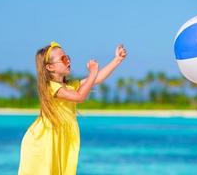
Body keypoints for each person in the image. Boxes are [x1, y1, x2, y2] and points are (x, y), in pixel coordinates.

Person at [18, 41, 127, 175]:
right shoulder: (51, 87)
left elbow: (96, 79)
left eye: (68, 57)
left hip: (61, 137)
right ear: (50, 67)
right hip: (45, 140)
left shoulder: (69, 85)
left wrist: (117, 60)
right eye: (63, 59)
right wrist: (93, 72)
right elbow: (79, 97)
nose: (68, 61)